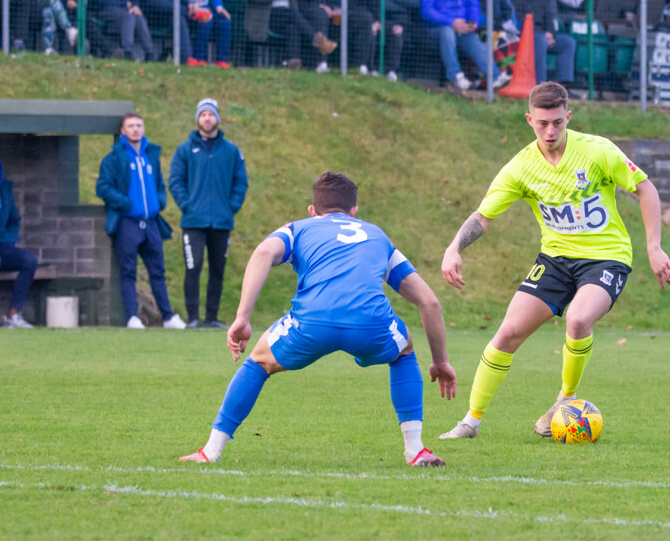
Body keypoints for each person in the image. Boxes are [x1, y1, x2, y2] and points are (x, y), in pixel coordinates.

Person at [438, 82, 670, 440]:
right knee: (507, 332)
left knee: (579, 319)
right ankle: (470, 422)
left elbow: (645, 187)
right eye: (542, 124)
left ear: (568, 117)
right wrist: (453, 248)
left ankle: (565, 399)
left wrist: (654, 247)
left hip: (606, 258)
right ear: (529, 120)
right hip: (555, 260)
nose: (550, 132)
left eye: (557, 123)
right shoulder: (521, 167)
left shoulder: (597, 151)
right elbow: (483, 215)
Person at [179, 172, 457, 467]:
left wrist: (242, 317)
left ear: (312, 210)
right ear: (354, 212)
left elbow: (262, 253)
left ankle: (211, 451)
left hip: (312, 322)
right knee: (404, 351)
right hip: (369, 324)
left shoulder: (298, 229)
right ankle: (415, 451)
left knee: (259, 362)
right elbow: (429, 301)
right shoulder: (376, 235)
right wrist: (440, 362)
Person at [96, 113, 187, 330]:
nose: (135, 129)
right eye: (131, 126)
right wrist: (125, 203)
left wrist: (160, 202)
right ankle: (132, 317)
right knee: (128, 271)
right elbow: (103, 188)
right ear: (123, 131)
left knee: (158, 271)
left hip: (152, 223)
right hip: (128, 222)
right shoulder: (114, 158)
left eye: (139, 125)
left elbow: (159, 184)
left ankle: (168, 317)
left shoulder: (151, 156)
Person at [169, 98, 248, 329]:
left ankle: (211, 318)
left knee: (217, 270)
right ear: (197, 119)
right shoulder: (185, 150)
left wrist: (231, 206)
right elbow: (175, 181)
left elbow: (241, 182)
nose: (207, 118)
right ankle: (193, 318)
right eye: (203, 114)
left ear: (217, 118)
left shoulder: (231, 151)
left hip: (222, 222)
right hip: (193, 221)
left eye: (211, 114)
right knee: (193, 268)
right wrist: (187, 205)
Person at [418, 0, 509, 91]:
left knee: (473, 40)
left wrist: (473, 22)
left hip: (461, 28)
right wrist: (451, 22)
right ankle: (455, 77)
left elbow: (473, 4)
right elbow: (427, 10)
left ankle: (495, 77)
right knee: (447, 32)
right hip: (434, 28)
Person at [507, 0, 576, 87]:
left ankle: (560, 86)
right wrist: (543, 35)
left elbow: (548, 15)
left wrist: (550, 33)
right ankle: (540, 86)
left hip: (543, 34)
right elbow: (516, 19)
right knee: (540, 40)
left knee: (568, 42)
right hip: (520, 35)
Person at [0, 158, 38, 328]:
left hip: (4, 245)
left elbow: (14, 220)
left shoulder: (5, 191)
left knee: (29, 261)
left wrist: (9, 237)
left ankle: (13, 314)